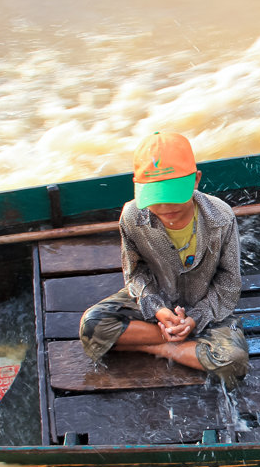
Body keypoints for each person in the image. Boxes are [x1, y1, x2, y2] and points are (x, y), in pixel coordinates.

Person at [79, 132, 249, 386]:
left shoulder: (221, 217)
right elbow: (134, 274)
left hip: (206, 306)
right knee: (92, 326)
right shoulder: (132, 216)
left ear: (196, 180)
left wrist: (195, 319)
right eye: (156, 199)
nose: (166, 208)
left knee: (233, 361)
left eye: (174, 197)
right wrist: (158, 309)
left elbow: (229, 283)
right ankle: (170, 344)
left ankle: (156, 345)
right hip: (156, 302)